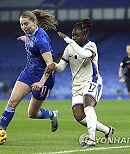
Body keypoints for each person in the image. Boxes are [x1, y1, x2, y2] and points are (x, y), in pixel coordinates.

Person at [32, 18, 115, 147]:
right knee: (79, 116)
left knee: (88, 105)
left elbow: (84, 54)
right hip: (76, 85)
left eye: (77, 35)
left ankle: (91, 138)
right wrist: (53, 65)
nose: (74, 37)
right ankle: (107, 130)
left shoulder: (91, 45)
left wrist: (67, 39)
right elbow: (61, 67)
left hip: (92, 81)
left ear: (85, 35)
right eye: (73, 35)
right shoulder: (69, 49)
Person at [0, 9, 59, 132]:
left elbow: (51, 64)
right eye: (21, 24)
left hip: (43, 79)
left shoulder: (41, 40)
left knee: (32, 114)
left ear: (34, 23)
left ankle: (52, 115)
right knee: (12, 102)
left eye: (26, 24)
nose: (23, 27)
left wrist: (41, 82)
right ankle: (1, 131)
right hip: (28, 73)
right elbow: (31, 41)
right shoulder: (30, 34)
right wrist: (24, 39)